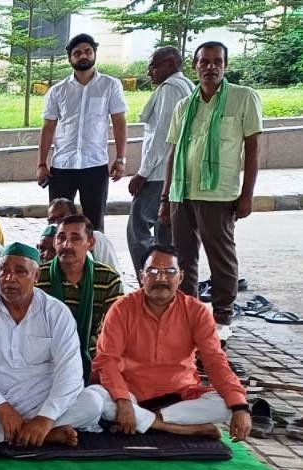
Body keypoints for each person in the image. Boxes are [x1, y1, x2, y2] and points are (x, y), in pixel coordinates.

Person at [0, 243, 103, 447]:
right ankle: (44, 435)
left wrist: (46, 418)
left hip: (40, 397)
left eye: (20, 272)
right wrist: (0, 405)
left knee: (93, 402)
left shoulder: (56, 312)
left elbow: (70, 372)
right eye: (4, 271)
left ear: (36, 277)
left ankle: (6, 433)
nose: (10, 278)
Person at [87, 246, 250, 440]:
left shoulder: (196, 311)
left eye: (170, 272)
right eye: (153, 271)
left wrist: (240, 407)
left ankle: (152, 422)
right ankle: (181, 428)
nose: (161, 278)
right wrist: (123, 401)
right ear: (142, 276)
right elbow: (106, 360)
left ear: (180, 277)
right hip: (131, 395)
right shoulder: (122, 309)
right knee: (94, 398)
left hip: (179, 397)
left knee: (225, 405)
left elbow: (215, 361)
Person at [161, 41, 263, 341]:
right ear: (195, 66)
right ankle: (189, 315)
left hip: (219, 195)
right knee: (184, 259)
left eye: (217, 61)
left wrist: (247, 195)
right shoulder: (185, 105)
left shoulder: (243, 98)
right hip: (183, 193)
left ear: (225, 65)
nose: (211, 67)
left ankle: (221, 319)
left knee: (221, 258)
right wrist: (166, 198)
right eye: (204, 62)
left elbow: (253, 149)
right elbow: (173, 151)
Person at [38, 33, 129, 232]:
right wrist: (42, 164)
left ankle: (96, 262)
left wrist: (121, 159)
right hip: (62, 166)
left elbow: (119, 122)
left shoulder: (110, 85)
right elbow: (48, 127)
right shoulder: (57, 91)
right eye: (77, 53)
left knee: (94, 224)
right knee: (58, 222)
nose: (83, 56)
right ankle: (57, 261)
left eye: (88, 51)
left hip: (95, 166)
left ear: (94, 54)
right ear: (70, 58)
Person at [36, 215, 124, 381]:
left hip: (92, 358)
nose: (66, 245)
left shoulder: (107, 278)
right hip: (46, 360)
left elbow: (115, 332)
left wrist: (101, 366)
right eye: (61, 238)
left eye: (75, 238)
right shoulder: (38, 277)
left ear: (90, 243)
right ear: (55, 242)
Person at [127, 47, 190, 271]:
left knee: (138, 229)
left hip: (159, 173)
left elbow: (163, 137)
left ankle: (149, 278)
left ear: (171, 64)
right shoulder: (186, 86)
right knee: (166, 231)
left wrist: (142, 173)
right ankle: (166, 282)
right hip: (173, 173)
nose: (149, 72)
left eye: (154, 66)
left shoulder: (171, 89)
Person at [46, 198, 120, 269]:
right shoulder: (46, 240)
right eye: (52, 220)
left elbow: (115, 273)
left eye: (62, 217)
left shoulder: (96, 238)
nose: (57, 223)